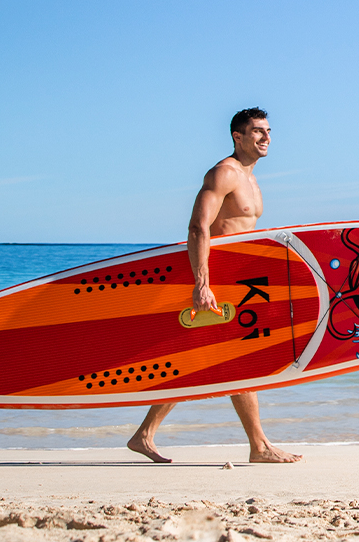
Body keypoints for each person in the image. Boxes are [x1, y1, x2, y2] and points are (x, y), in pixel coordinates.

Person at [126, 107, 302, 464]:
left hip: (239, 282)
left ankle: (145, 435)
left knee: (207, 358)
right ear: (238, 137)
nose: (266, 137)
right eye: (257, 131)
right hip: (214, 281)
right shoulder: (225, 173)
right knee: (234, 360)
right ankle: (259, 446)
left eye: (268, 130)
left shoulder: (251, 179)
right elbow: (197, 227)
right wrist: (201, 284)